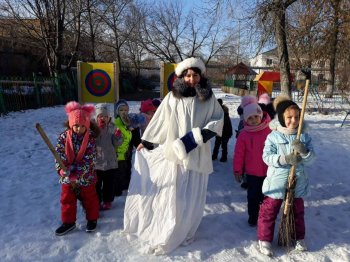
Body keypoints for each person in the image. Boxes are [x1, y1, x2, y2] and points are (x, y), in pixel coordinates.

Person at [123, 57, 224, 255]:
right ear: (181, 76)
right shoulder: (172, 97)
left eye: (195, 75)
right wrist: (149, 142)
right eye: (187, 75)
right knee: (177, 194)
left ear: (200, 76)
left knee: (193, 194)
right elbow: (161, 121)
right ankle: (174, 226)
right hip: (176, 156)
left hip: (198, 153)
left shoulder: (209, 98)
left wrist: (195, 139)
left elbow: (218, 120)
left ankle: (187, 227)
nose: (191, 79)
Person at [257, 95, 314, 256]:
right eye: (289, 117)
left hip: (298, 181)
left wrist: (304, 152)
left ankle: (298, 237)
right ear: (282, 118)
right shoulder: (274, 136)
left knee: (297, 211)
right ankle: (265, 240)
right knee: (269, 210)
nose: (293, 121)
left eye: (297, 117)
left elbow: (311, 160)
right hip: (277, 182)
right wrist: (285, 159)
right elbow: (266, 157)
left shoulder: (304, 136)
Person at [54, 101, 100, 236]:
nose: (78, 129)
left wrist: (77, 172)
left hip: (86, 176)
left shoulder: (90, 140)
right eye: (75, 126)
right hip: (67, 177)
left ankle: (92, 219)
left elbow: (90, 159)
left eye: (81, 126)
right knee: (67, 198)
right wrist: (62, 170)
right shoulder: (63, 137)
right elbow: (59, 155)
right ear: (70, 124)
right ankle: (68, 222)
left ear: (87, 126)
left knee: (90, 198)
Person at [233, 95, 271, 227]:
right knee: (253, 196)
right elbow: (239, 154)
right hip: (252, 172)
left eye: (256, 116)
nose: (254, 120)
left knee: (266, 196)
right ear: (245, 119)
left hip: (268, 170)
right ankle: (253, 216)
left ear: (260, 115)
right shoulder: (244, 134)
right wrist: (238, 170)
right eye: (250, 118)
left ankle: (265, 216)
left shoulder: (269, 130)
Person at [94, 103, 123, 210]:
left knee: (109, 184)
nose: (103, 119)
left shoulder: (112, 127)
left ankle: (107, 200)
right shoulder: (92, 128)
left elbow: (117, 143)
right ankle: (96, 202)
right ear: (96, 117)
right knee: (96, 185)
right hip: (96, 163)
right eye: (100, 116)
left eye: (105, 116)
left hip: (110, 162)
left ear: (108, 117)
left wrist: (118, 137)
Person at [114, 99, 133, 196]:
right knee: (118, 173)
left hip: (125, 153)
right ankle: (117, 190)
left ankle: (124, 186)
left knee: (124, 170)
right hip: (117, 154)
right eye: (121, 110)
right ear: (117, 112)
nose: (124, 112)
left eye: (126, 110)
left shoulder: (128, 122)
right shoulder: (115, 124)